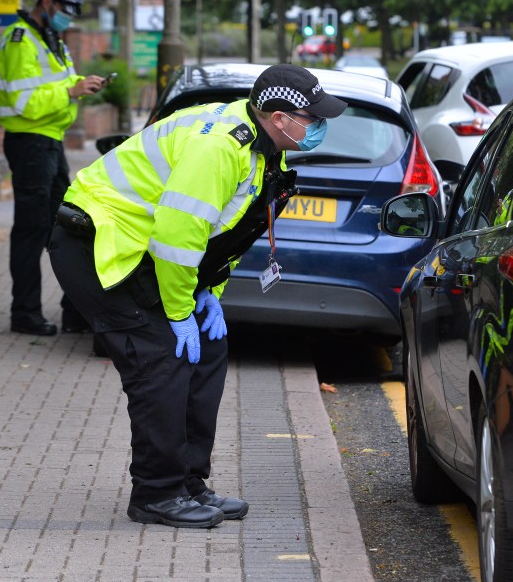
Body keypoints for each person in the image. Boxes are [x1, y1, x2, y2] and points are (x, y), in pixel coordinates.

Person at [48, 64, 347, 528]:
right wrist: (180, 309)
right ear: (277, 115)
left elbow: (224, 237)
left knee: (208, 349)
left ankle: (187, 483)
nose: (320, 128)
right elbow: (177, 237)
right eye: (312, 117)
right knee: (160, 359)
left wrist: (209, 292)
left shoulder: (266, 151)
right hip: (98, 244)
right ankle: (156, 494)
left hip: (143, 247)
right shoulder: (219, 148)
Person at [0, 0, 105, 336]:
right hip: (30, 142)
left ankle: (73, 311)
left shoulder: (50, 38)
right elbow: (23, 102)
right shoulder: (20, 40)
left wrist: (80, 86)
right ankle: (24, 313)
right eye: (66, 11)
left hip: (49, 141)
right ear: (47, 3)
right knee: (32, 229)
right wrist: (71, 92)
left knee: (67, 227)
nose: (68, 19)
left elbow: (55, 86)